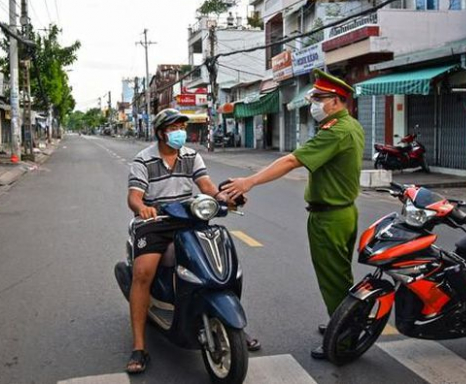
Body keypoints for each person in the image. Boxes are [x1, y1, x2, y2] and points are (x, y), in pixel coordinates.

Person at [223, 70, 364, 360]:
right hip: (343, 212)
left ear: (337, 101)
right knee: (340, 275)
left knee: (333, 279)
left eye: (319, 98)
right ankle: (342, 322)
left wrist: (248, 181)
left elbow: (291, 160)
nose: (313, 104)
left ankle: (344, 342)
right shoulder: (349, 125)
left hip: (330, 217)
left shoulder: (337, 131)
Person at [125, 108, 260, 374]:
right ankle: (139, 346)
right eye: (174, 128)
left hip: (188, 217)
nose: (180, 133)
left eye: (181, 128)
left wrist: (227, 198)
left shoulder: (191, 156)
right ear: (162, 133)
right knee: (142, 273)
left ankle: (230, 324)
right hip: (155, 222)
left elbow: (207, 187)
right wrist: (142, 208)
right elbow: (134, 196)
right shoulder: (143, 160)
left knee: (218, 261)